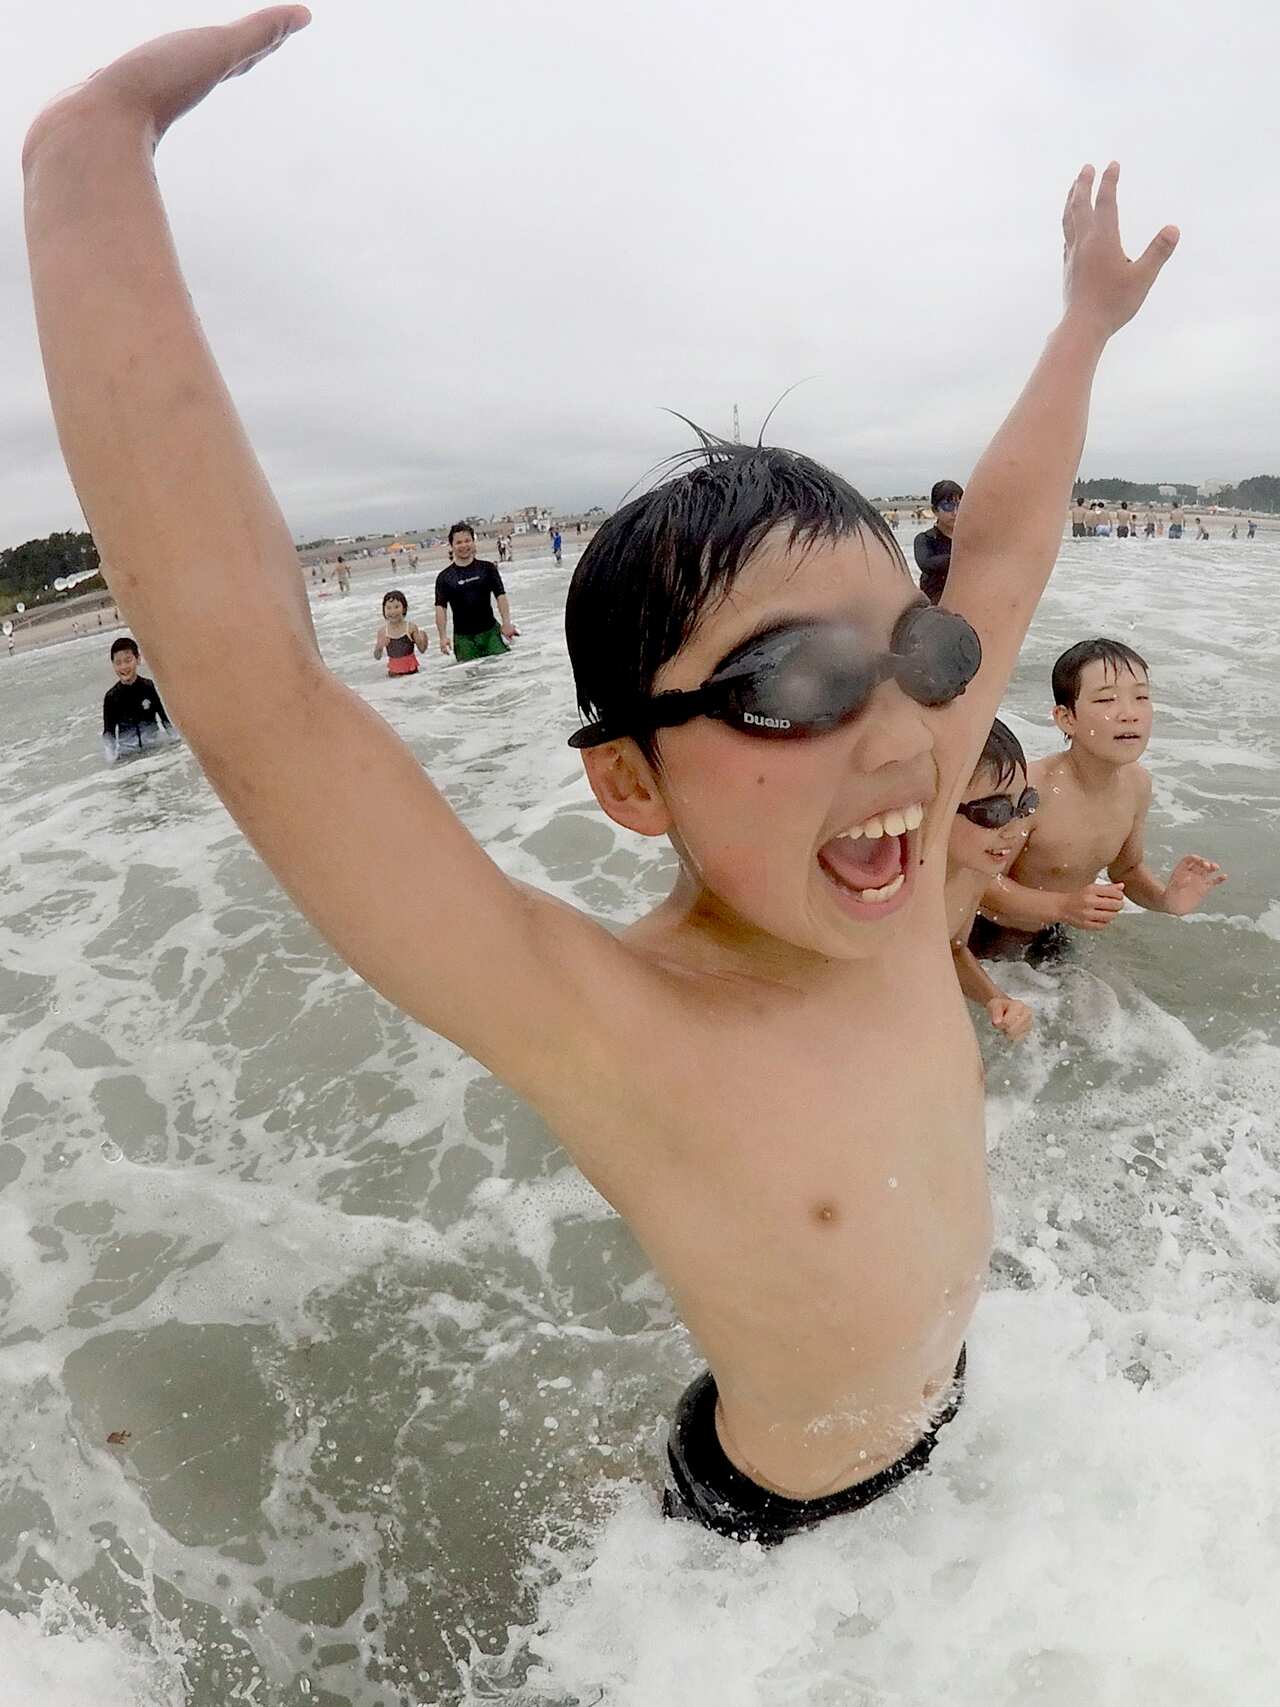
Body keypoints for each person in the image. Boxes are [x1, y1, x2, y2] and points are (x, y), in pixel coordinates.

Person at [23, 14, 1179, 1547]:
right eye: (795, 681)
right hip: (778, 1521)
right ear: (633, 780)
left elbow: (1010, 543)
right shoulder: (617, 1020)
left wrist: (1085, 324)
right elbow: (263, 701)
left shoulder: (897, 843)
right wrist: (89, 160)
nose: (903, 731)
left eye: (914, 650)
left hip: (953, 1396)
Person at [972, 639, 1225, 962]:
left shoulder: (1137, 784)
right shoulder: (1031, 789)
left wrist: (1166, 900)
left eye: (1141, 697)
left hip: (1051, 935)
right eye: (1106, 699)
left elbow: (1127, 870)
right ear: (1067, 718)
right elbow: (977, 882)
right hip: (981, 938)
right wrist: (1062, 906)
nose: (1129, 714)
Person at [947, 720, 1036, 1043]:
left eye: (1024, 805)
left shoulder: (974, 872)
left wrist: (995, 999)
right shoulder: (887, 886)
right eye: (994, 812)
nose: (1014, 830)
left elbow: (952, 950)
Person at [434, 523, 518, 661]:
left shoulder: (488, 568)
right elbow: (440, 608)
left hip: (491, 633)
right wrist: (442, 637)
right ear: (451, 546)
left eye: (467, 541)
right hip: (463, 639)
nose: (464, 545)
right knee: (471, 674)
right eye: (458, 542)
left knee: (502, 669)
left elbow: (500, 596)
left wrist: (506, 623)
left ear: (473, 542)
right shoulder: (444, 577)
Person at [101, 635, 174, 761]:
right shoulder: (111, 697)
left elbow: (164, 720)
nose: (124, 667)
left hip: (156, 750)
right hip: (129, 757)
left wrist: (177, 745)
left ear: (138, 659)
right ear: (113, 665)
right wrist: (111, 761)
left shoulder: (148, 686)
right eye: (118, 663)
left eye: (128, 660)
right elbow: (109, 734)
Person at [912, 479, 963, 603]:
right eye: (948, 506)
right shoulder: (925, 539)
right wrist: (962, 558)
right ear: (934, 510)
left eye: (960, 505)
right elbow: (926, 563)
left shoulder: (969, 538)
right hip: (936, 604)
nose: (955, 512)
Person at [373, 590, 428, 677]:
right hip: (394, 677)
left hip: (413, 675)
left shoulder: (410, 628)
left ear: (404, 608)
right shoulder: (383, 632)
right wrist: (379, 647)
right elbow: (377, 657)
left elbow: (422, 650)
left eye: (396, 607)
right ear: (384, 610)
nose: (393, 611)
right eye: (388, 608)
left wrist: (423, 637)